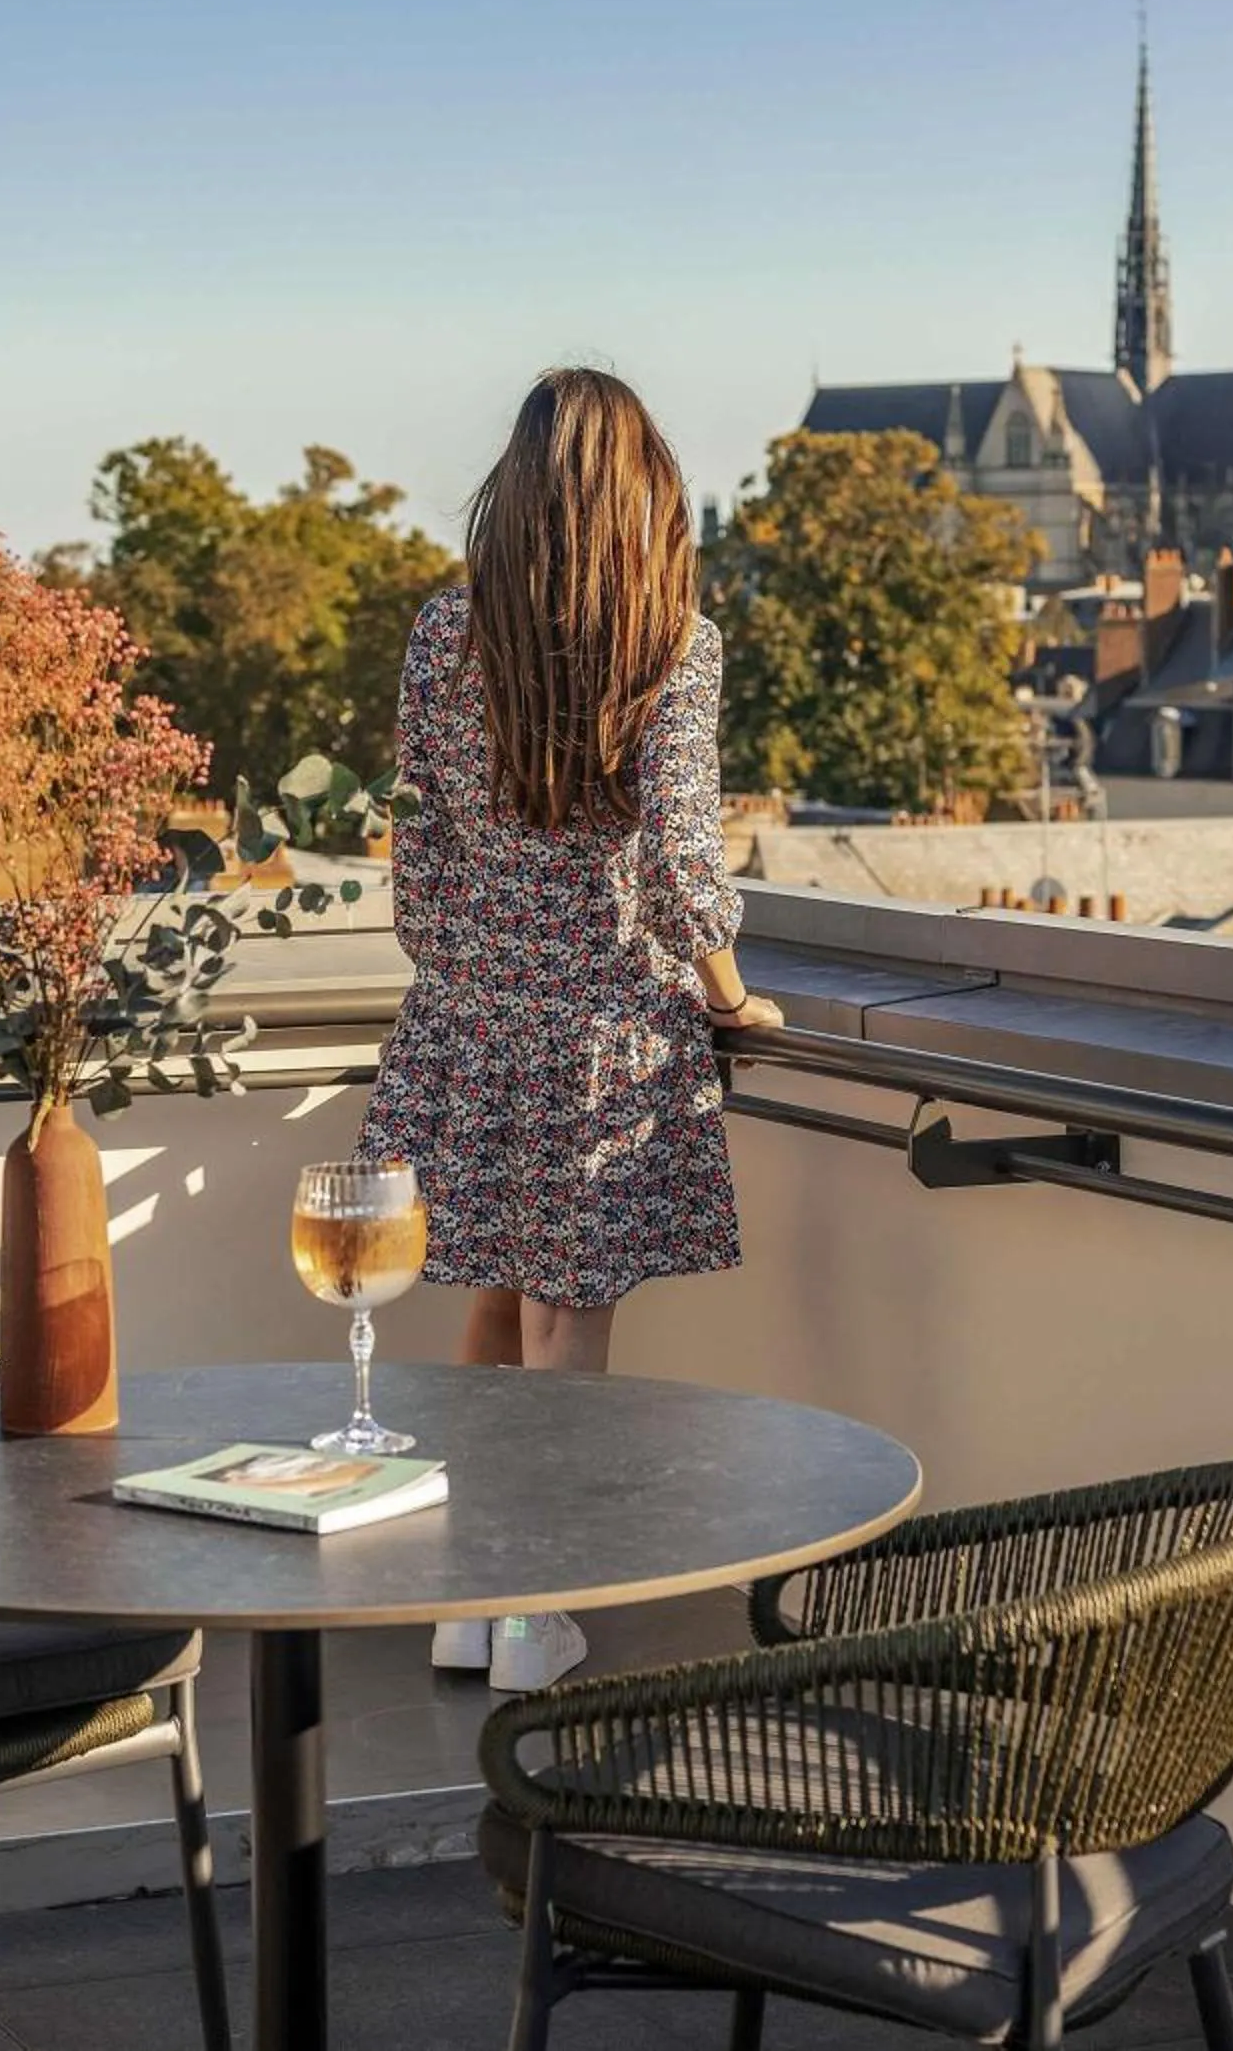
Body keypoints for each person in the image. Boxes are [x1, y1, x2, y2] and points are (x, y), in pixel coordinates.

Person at [356, 366, 783, 1692]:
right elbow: (679, 863)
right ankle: (534, 1611)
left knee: (492, 1306)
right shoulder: (673, 642)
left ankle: (467, 1597)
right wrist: (731, 998)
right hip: (602, 1032)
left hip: (471, 1017)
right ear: (636, 495)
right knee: (562, 1332)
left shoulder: (445, 630)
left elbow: (418, 851)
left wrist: (470, 978)